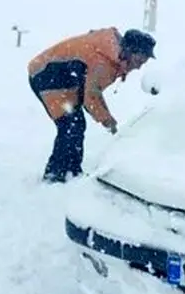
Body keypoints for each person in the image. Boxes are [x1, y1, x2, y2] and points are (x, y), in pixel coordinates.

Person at [28, 27, 156, 183]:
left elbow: (93, 92)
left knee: (75, 124)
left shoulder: (112, 52)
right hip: (46, 75)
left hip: (64, 77)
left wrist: (106, 117)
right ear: (128, 51)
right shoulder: (103, 61)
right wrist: (108, 121)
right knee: (70, 125)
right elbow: (91, 98)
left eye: (143, 63)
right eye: (138, 61)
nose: (138, 67)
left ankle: (71, 172)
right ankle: (55, 176)